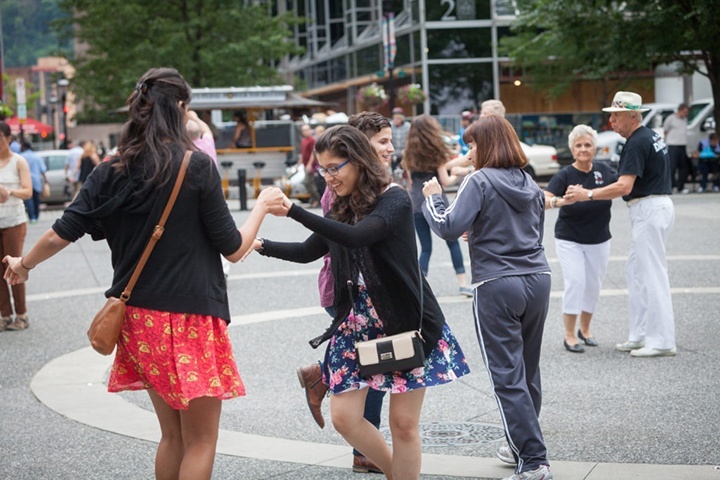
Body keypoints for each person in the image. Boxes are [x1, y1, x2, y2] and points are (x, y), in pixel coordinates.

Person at [2, 67, 286, 478]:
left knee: (171, 436)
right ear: (182, 108)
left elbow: (61, 233)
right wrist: (261, 206)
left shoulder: (110, 170)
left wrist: (22, 265)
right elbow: (235, 248)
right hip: (192, 317)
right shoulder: (197, 166)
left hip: (139, 321)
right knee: (202, 439)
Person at [249, 125, 470, 479]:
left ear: (359, 162)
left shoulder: (394, 199)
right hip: (355, 324)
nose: (328, 177)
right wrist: (261, 245)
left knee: (403, 425)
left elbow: (357, 237)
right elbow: (310, 250)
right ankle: (396, 473)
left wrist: (293, 210)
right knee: (344, 418)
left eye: (335, 167)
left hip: (405, 322)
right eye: (323, 168)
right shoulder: (340, 205)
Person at [422, 114, 553, 480]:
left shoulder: (478, 180)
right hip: (537, 277)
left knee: (506, 376)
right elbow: (532, 231)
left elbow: (447, 226)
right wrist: (481, 231)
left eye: (473, 144)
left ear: (488, 145)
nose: (470, 152)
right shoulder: (528, 181)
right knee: (527, 370)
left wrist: (433, 199)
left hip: (496, 283)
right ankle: (522, 447)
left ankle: (533, 459)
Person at [296, 112, 395, 474]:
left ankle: (321, 378)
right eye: (382, 140)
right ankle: (364, 449)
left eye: (389, 139)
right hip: (346, 294)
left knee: (373, 367)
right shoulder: (339, 187)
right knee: (373, 370)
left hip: (369, 296)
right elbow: (334, 243)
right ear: (359, 147)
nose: (389, 146)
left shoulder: (381, 187)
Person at [567, 91, 676, 358]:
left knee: (652, 275)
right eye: (611, 115)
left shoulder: (636, 142)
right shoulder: (650, 135)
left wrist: (588, 194)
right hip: (653, 207)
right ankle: (639, 335)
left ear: (632, 115)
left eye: (616, 115)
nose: (612, 120)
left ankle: (661, 341)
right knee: (636, 273)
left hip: (648, 209)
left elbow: (624, 185)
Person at [544, 125, 617, 353]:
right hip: (569, 238)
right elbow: (543, 199)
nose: (583, 149)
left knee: (593, 286)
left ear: (594, 148)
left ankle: (585, 330)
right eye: (579, 145)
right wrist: (562, 201)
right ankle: (569, 334)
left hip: (599, 238)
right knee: (575, 282)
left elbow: (621, 189)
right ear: (572, 149)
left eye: (587, 145)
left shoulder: (605, 171)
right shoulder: (565, 175)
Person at [402, 114, 472, 297]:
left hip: (417, 203)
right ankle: (463, 284)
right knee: (452, 243)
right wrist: (457, 174)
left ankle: (418, 286)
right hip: (438, 202)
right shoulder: (436, 154)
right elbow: (446, 182)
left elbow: (409, 183)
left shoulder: (408, 155)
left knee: (425, 248)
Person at [0, 122, 33, 332]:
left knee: (14, 267)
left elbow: (28, 191)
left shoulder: (18, 161)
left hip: (14, 221)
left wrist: (9, 192)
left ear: (8, 139)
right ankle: (4, 315)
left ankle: (21, 314)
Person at [663, 103, 691, 193]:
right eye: (684, 112)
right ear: (680, 110)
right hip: (673, 144)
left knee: (683, 166)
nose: (685, 114)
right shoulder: (671, 118)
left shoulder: (685, 120)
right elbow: (665, 130)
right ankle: (670, 186)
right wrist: (668, 141)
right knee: (672, 166)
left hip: (682, 144)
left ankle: (681, 186)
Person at [20, 141, 47, 224]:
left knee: (29, 200)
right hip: (36, 181)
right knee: (36, 199)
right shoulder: (37, 157)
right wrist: (46, 180)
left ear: (24, 147)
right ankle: (36, 215)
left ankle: (32, 217)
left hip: (26, 180)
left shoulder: (21, 157)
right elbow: (43, 170)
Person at [297, 124, 320, 207]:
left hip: (312, 166)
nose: (306, 131)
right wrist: (298, 164)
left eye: (307, 129)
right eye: (304, 130)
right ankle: (313, 200)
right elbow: (303, 153)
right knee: (309, 183)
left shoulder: (312, 140)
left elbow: (312, 153)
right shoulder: (304, 141)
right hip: (305, 165)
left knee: (308, 182)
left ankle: (316, 199)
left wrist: (310, 164)